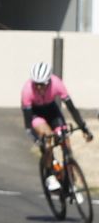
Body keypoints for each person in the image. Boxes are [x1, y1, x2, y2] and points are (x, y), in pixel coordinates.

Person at [20, 61, 92, 192]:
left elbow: (72, 109)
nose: (39, 87)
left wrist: (83, 128)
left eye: (42, 84)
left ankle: (70, 178)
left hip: (52, 111)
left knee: (65, 140)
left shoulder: (57, 83)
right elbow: (28, 124)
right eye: (36, 84)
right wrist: (36, 139)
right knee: (47, 137)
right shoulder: (27, 90)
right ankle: (49, 174)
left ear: (49, 81)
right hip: (35, 114)